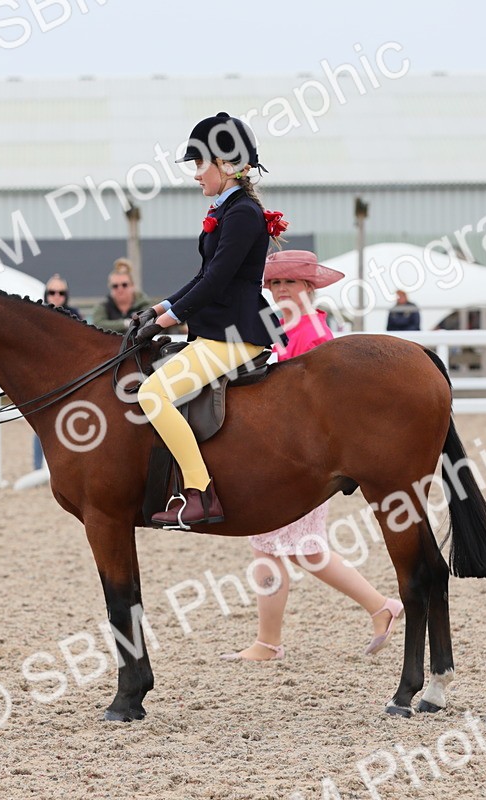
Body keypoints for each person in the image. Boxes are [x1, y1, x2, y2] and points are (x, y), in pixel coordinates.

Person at [223, 250, 403, 661]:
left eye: (289, 282)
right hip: (283, 451)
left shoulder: (313, 333)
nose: (280, 289)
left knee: (302, 549)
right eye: (275, 283)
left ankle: (379, 607)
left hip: (301, 456)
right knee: (277, 548)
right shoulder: (282, 325)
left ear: (308, 287)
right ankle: (271, 640)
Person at [132, 112, 286, 528]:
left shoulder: (242, 214)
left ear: (229, 165)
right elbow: (203, 275)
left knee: (152, 396)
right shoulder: (229, 210)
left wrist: (171, 320)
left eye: (201, 164)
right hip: (219, 332)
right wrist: (161, 308)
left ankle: (200, 493)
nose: (197, 174)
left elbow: (217, 280)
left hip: (234, 336)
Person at [35, 274, 82, 469]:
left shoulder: (75, 316)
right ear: (46, 294)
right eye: (52, 292)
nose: (56, 296)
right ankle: (38, 468)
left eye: (61, 293)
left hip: (70, 377)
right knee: (41, 424)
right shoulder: (37, 316)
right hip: (44, 378)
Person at [91, 259, 152, 334]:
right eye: (115, 286)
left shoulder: (145, 304)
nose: (120, 289)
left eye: (124, 285)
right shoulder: (103, 306)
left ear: (132, 285)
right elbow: (98, 325)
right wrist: (126, 324)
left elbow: (148, 323)